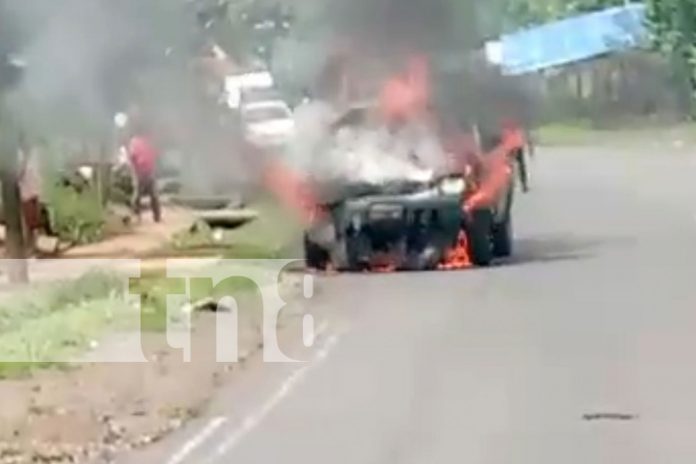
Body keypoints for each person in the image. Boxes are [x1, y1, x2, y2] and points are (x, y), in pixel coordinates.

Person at [128, 124, 162, 223]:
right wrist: (135, 169)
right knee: (141, 194)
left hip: (147, 170)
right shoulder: (137, 142)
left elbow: (155, 155)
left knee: (149, 194)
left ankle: (155, 216)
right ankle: (137, 215)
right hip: (141, 170)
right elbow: (132, 157)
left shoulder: (145, 142)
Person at [18, 142, 42, 251]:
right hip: (28, 188)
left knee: (32, 218)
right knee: (29, 218)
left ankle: (33, 245)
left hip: (31, 187)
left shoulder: (31, 153)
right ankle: (30, 245)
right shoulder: (22, 154)